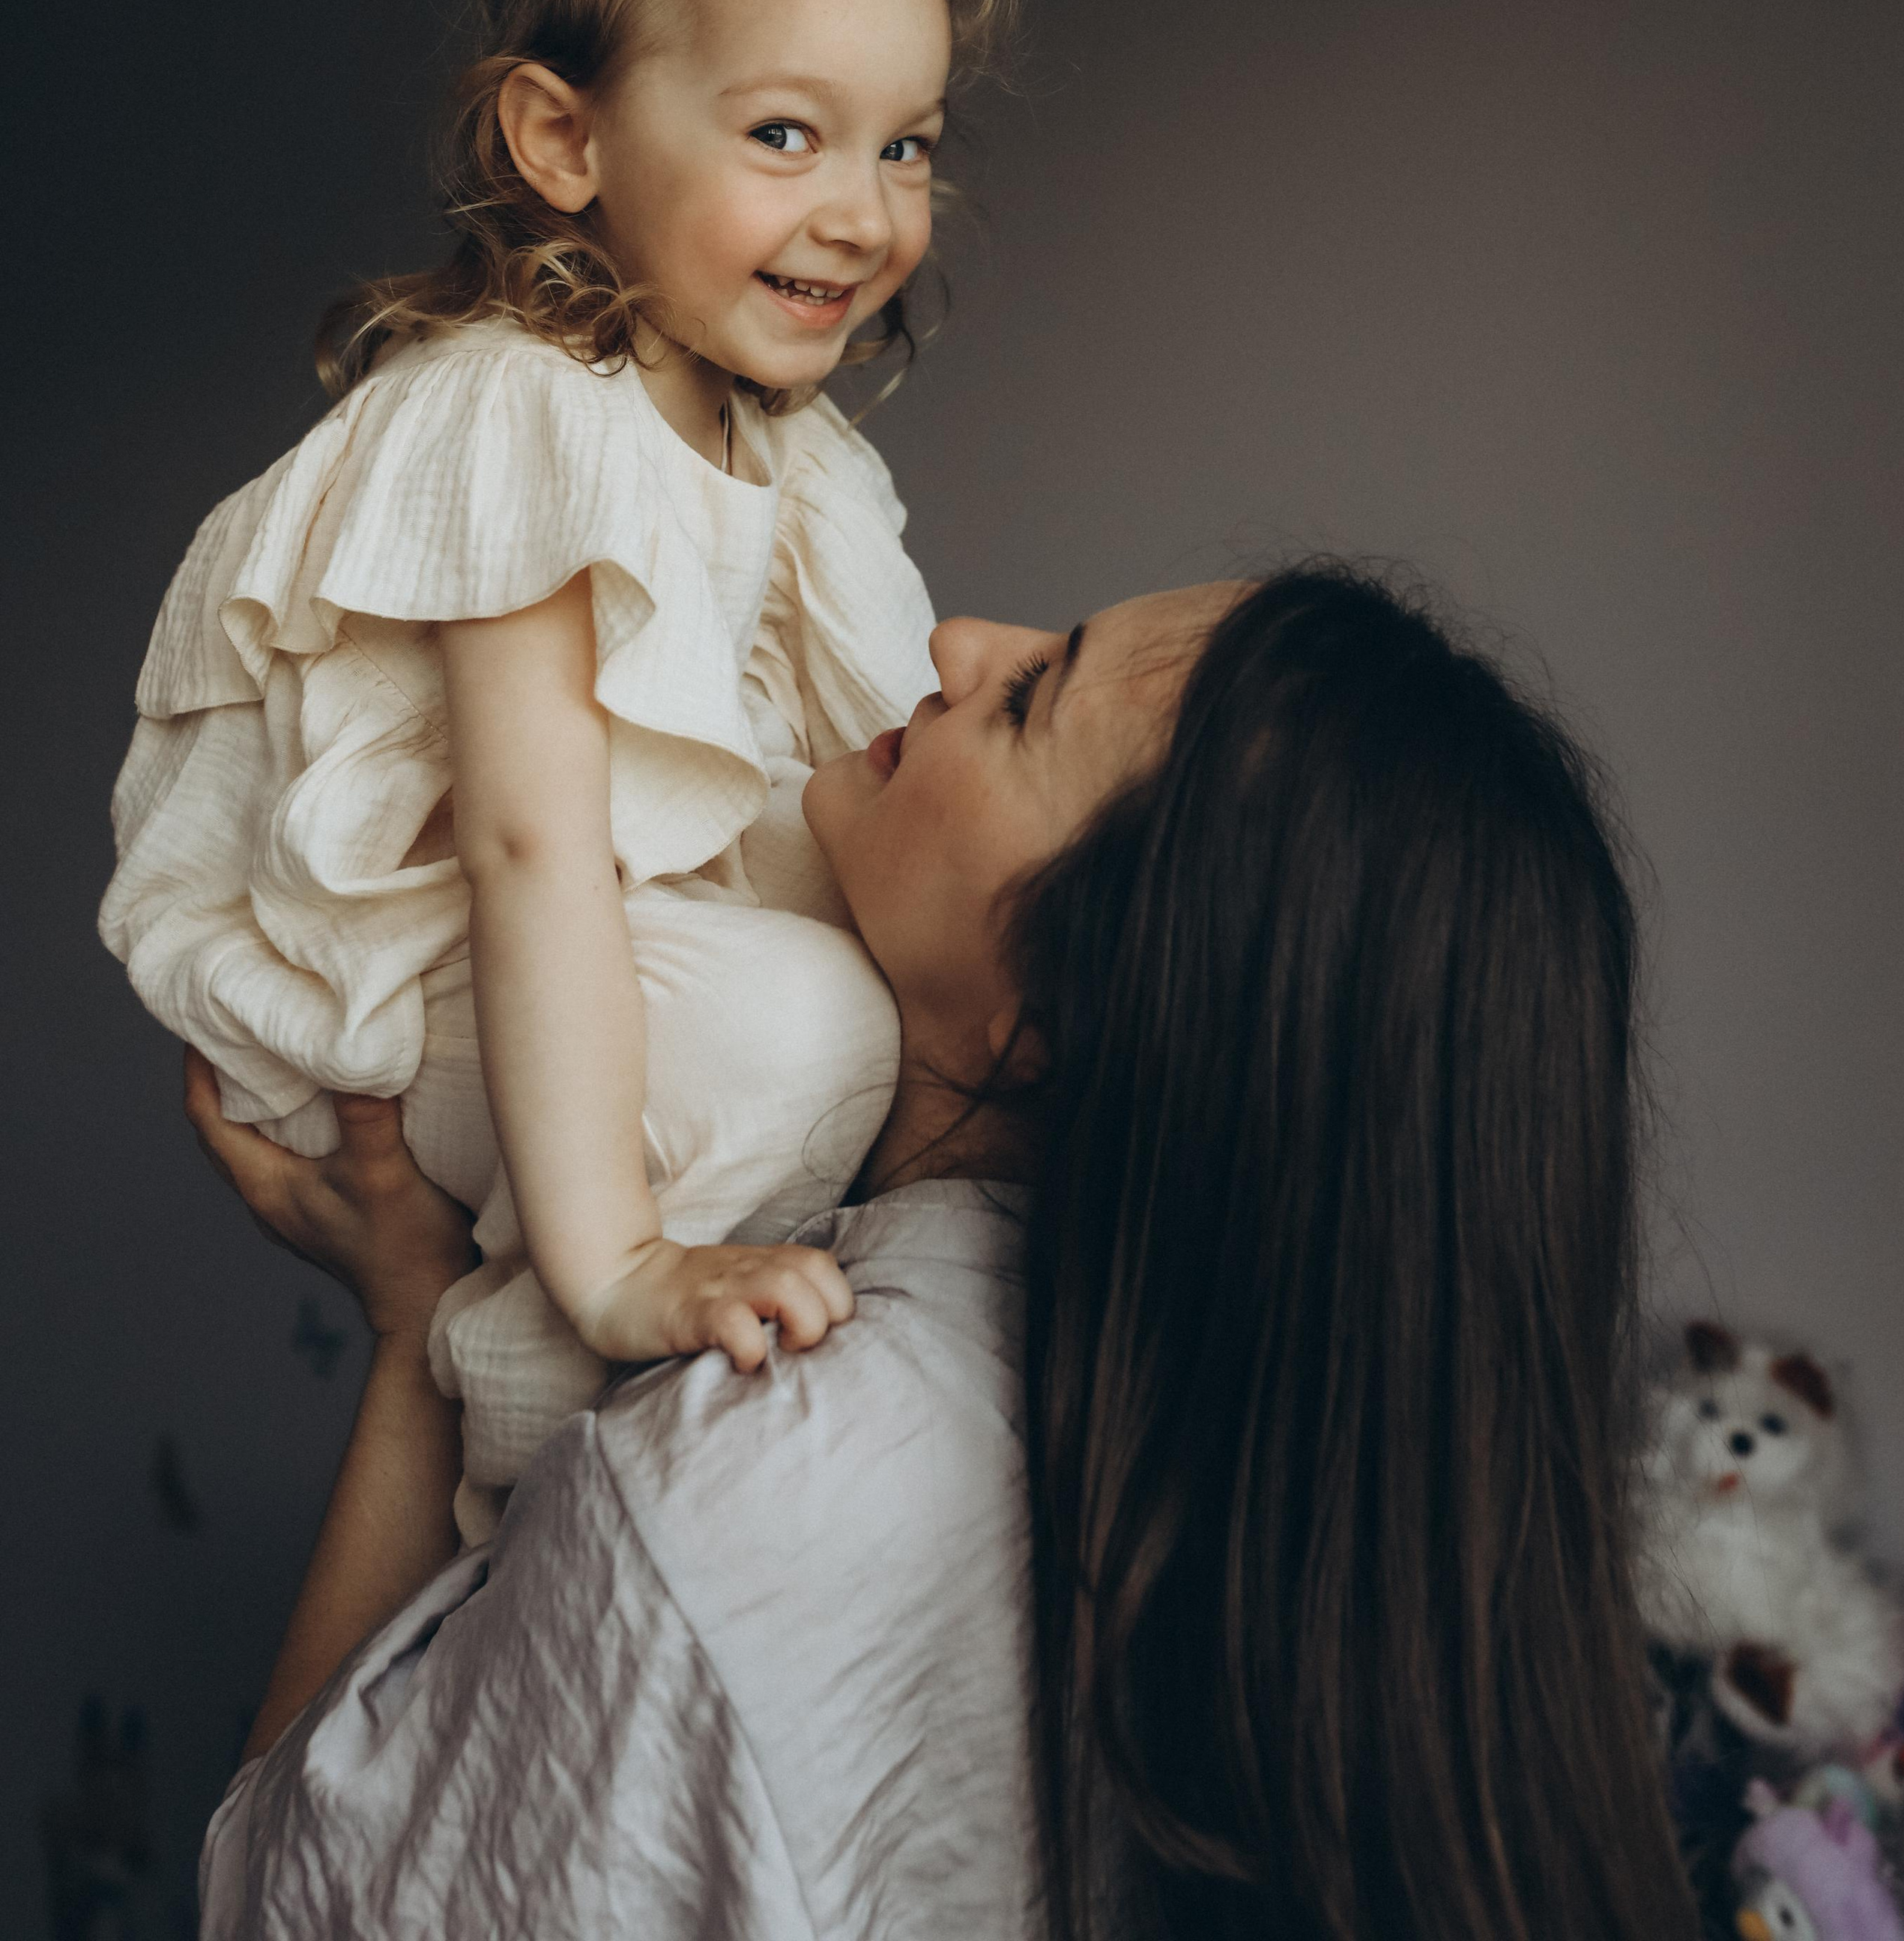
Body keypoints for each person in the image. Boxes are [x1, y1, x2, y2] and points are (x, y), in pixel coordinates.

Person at [188, 565, 1699, 1941]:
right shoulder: (1331, 1600)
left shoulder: (745, 1498)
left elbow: (273, 1904)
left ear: (1053, 1015)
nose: (958, 643)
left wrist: (418, 1335)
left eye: (1030, 698)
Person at [100, 0, 1013, 1536]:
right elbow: (533, 850)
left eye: (904, 145)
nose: (865, 213)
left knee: (900, 999)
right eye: (785, 134)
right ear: (563, 142)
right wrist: (615, 1265)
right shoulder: (520, 409)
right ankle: (527, 1369)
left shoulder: (799, 461)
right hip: (398, 982)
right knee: (808, 1029)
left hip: (601, 955)